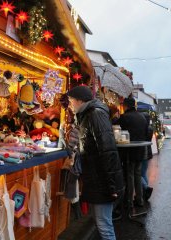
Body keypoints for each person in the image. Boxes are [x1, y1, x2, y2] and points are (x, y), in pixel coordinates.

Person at [67, 86, 123, 240]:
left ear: (79, 101)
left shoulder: (94, 115)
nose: (70, 105)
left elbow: (107, 151)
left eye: (71, 101)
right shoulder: (87, 115)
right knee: (103, 223)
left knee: (104, 225)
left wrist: (111, 186)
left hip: (103, 182)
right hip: (99, 179)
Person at [119, 97, 148, 209]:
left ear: (126, 106)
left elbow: (119, 133)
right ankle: (140, 200)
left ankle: (129, 201)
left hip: (129, 151)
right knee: (137, 174)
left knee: (130, 175)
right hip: (140, 150)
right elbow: (146, 133)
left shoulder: (124, 117)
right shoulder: (142, 117)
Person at [142, 112, 153, 201]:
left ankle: (146, 188)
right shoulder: (150, 128)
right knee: (144, 172)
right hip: (148, 152)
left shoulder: (144, 128)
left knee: (139, 173)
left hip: (143, 152)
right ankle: (145, 190)